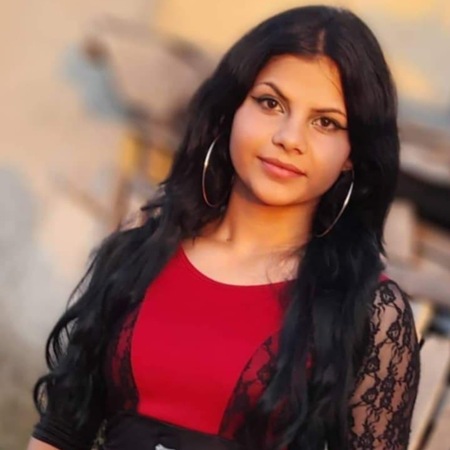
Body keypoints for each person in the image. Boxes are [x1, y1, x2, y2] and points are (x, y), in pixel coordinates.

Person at [28, 5, 420, 450]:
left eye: (325, 122)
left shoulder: (371, 312)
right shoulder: (141, 252)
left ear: (352, 153)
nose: (289, 138)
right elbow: (58, 435)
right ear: (232, 108)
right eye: (270, 103)